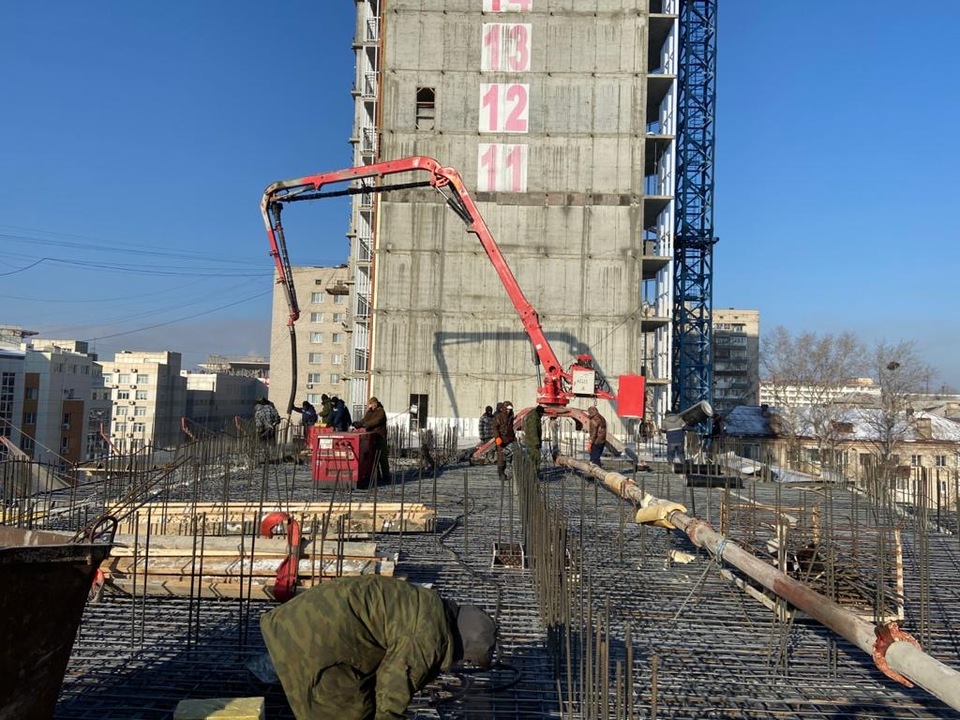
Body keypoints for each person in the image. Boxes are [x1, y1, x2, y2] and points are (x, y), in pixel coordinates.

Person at [260, 575, 497, 720]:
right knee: (348, 714)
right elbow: (393, 684)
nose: (460, 663)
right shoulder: (430, 637)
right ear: (461, 644)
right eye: (465, 659)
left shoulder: (429, 606)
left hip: (301, 621)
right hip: (312, 641)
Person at [353, 396, 391, 485]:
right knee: (373, 458)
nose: (370, 406)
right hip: (371, 438)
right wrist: (359, 423)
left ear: (375, 403)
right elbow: (365, 419)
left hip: (380, 437)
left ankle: (386, 476)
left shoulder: (381, 411)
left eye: (371, 404)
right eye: (369, 404)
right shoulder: (370, 412)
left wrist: (366, 425)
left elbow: (376, 421)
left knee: (382, 458)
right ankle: (377, 476)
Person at [492, 400, 517, 481]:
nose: (509, 410)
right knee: (501, 458)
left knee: (511, 456)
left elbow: (511, 428)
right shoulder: (499, 417)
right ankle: (501, 473)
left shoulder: (511, 416)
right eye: (508, 409)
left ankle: (511, 472)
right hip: (501, 440)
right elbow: (495, 428)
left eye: (510, 409)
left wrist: (514, 438)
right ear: (504, 408)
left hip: (509, 439)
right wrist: (497, 437)